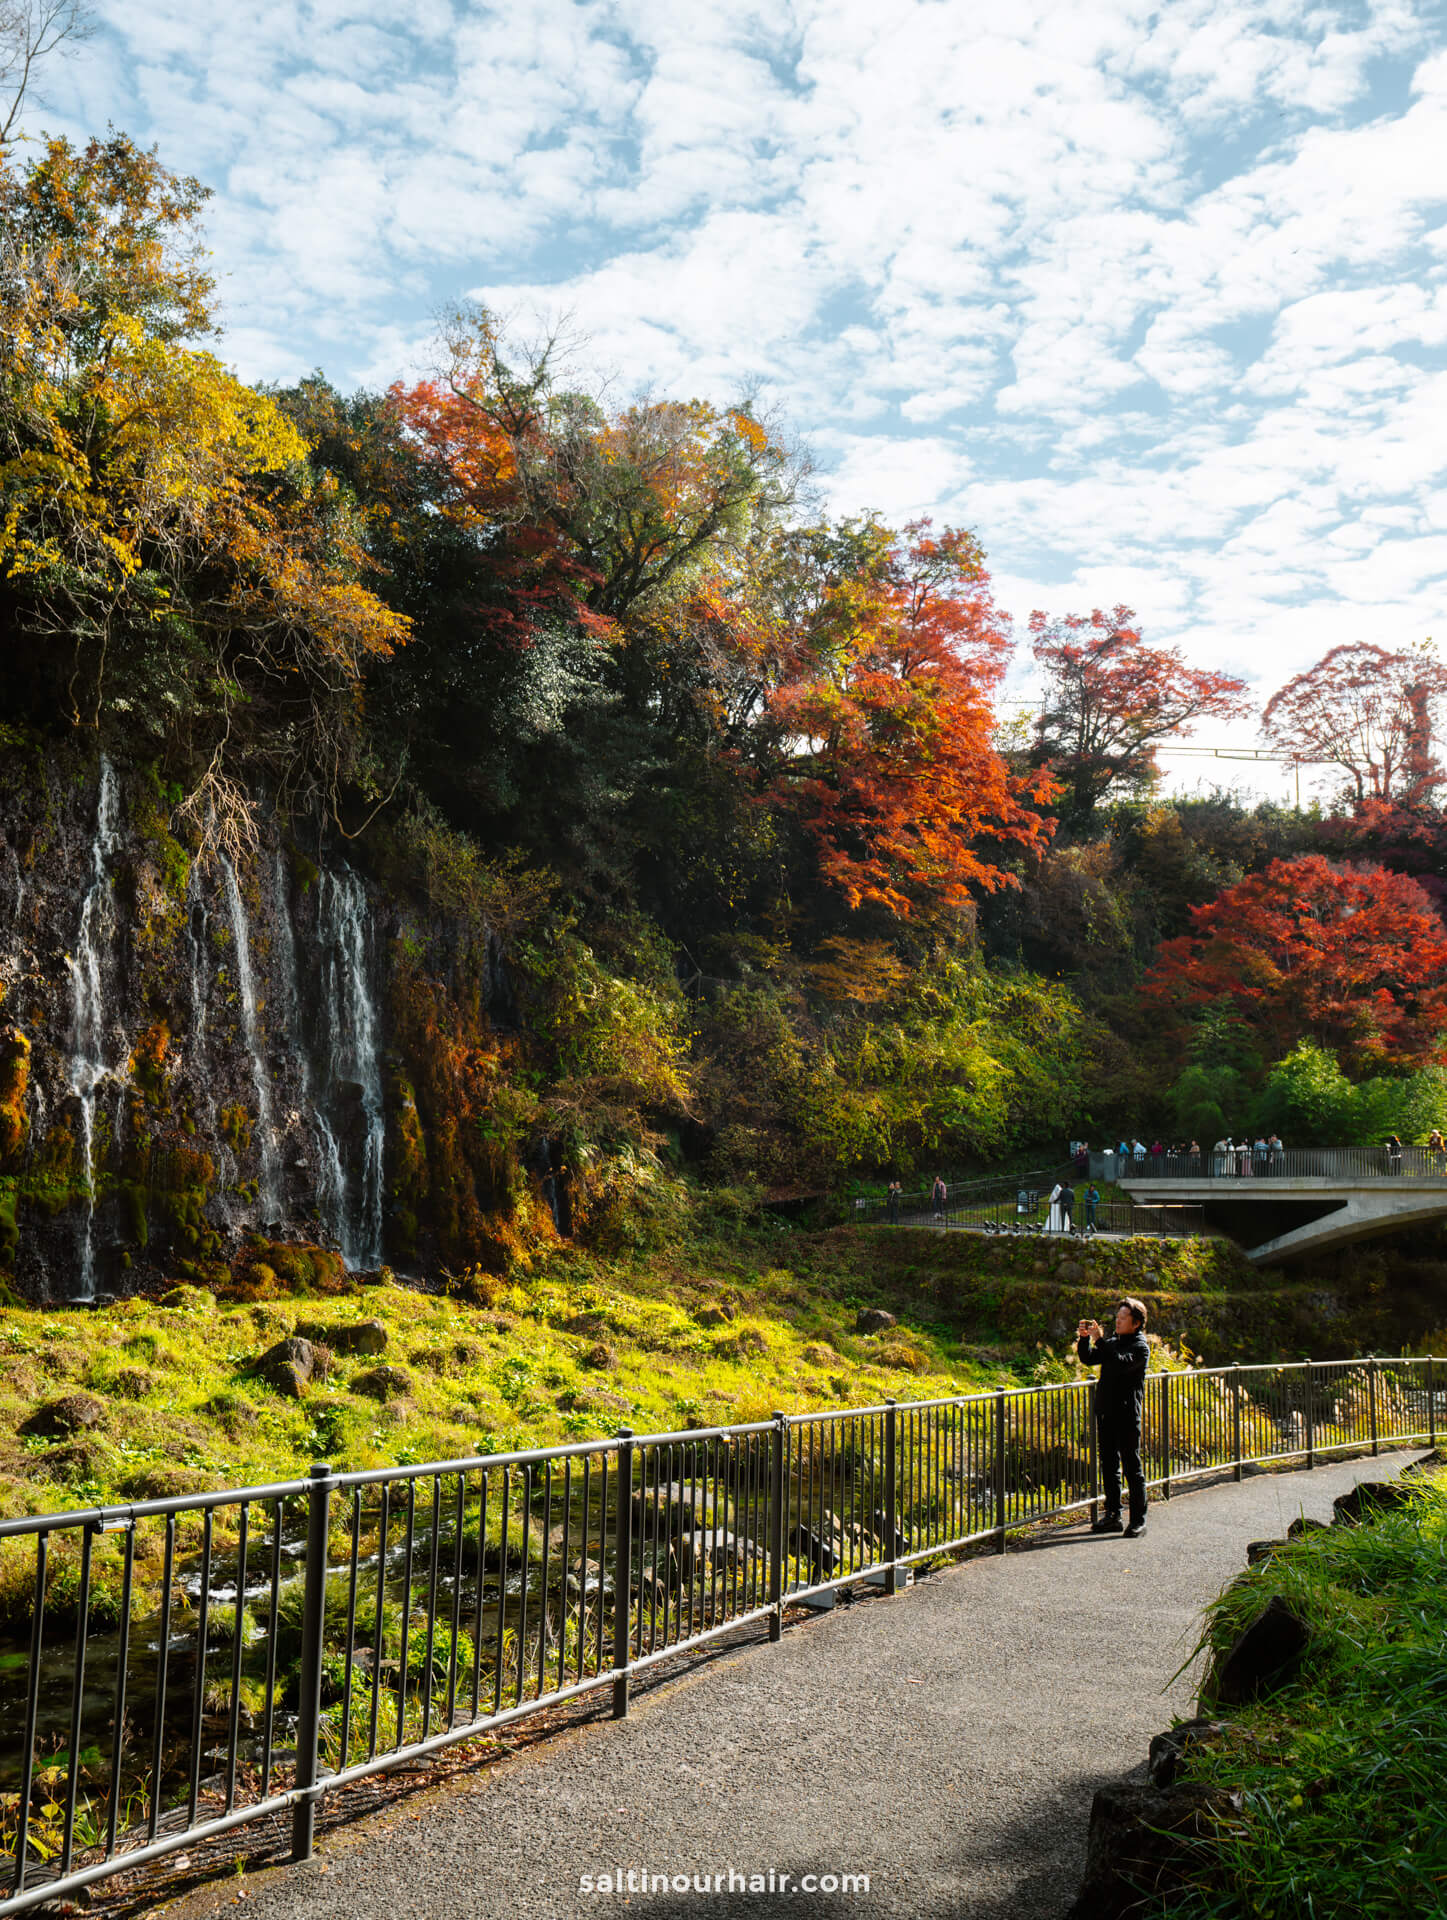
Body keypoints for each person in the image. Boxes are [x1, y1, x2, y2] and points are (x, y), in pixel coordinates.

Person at [1077, 1299, 1150, 1537]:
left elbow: (1119, 1363)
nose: (1117, 1321)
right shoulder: (1114, 1343)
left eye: (1123, 1318)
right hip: (1106, 1412)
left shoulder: (1139, 1347)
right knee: (1109, 1465)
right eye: (1117, 1317)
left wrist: (1099, 1340)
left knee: (1132, 1467)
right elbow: (1089, 1358)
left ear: (1136, 1323)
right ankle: (1112, 1515)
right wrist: (1085, 1338)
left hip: (1127, 1414)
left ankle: (1138, 1520)